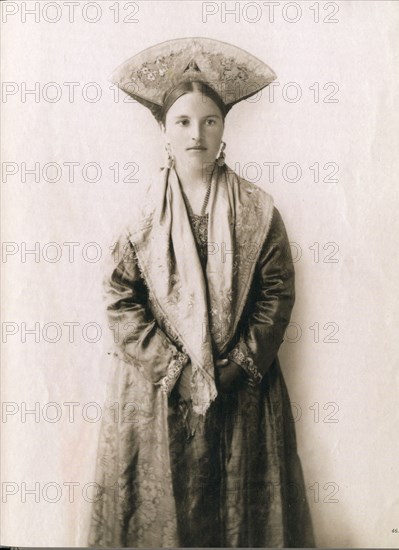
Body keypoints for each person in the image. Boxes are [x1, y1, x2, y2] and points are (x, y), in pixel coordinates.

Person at [88, 37, 315, 548]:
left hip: (242, 387)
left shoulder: (259, 209)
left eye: (209, 120)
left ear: (223, 130)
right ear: (165, 132)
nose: (197, 133)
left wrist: (239, 364)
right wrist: (176, 369)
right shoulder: (142, 214)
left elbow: (276, 292)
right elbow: (120, 298)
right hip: (157, 393)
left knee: (238, 514)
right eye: (183, 122)